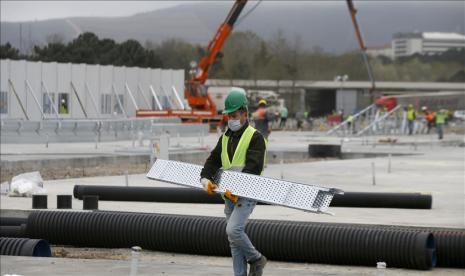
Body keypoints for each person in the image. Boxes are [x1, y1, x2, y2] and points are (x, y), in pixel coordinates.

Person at [200, 87, 268, 276]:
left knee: (233, 231)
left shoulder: (255, 137)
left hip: (246, 194)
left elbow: (253, 168)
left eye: (234, 114)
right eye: (228, 115)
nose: (231, 119)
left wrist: (237, 189)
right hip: (229, 195)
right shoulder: (225, 137)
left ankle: (256, 259)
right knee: (234, 241)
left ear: (245, 114)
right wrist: (205, 178)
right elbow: (213, 160)